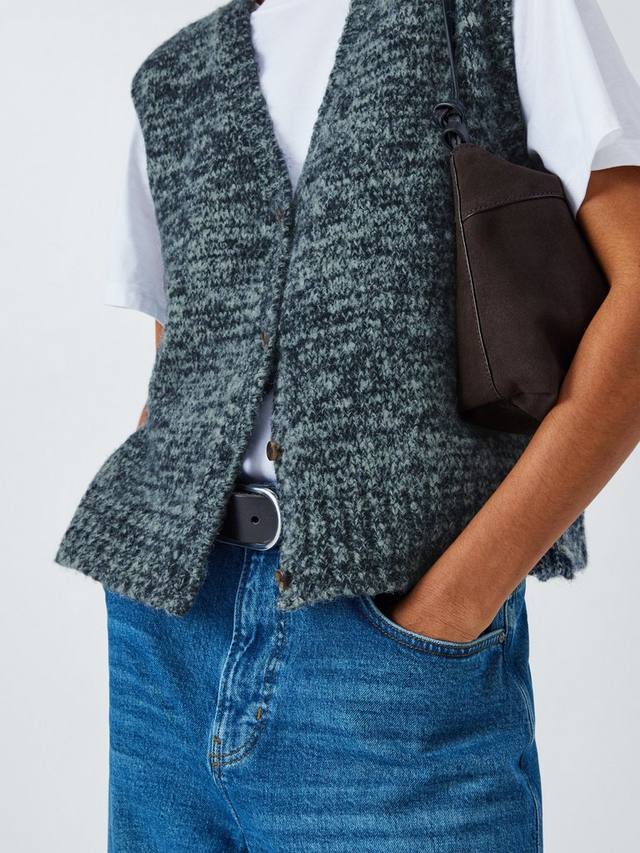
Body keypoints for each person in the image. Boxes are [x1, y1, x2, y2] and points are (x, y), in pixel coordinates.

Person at [55, 0, 640, 850]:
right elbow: (184, 376)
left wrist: (453, 605)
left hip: (389, 658)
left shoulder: (495, 15)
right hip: (168, 650)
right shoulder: (176, 78)